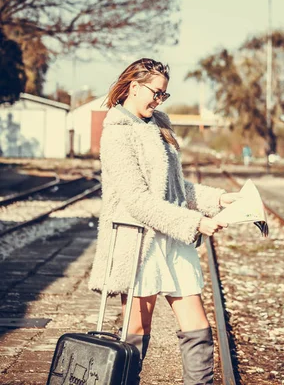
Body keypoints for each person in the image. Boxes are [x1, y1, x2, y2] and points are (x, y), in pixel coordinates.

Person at [88, 58, 238, 384]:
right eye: (155, 93)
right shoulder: (116, 132)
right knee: (137, 330)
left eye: (163, 96)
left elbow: (174, 187)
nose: (158, 100)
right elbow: (138, 200)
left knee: (198, 327)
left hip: (173, 237)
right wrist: (195, 222)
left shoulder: (159, 124)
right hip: (139, 240)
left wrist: (217, 200)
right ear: (134, 86)